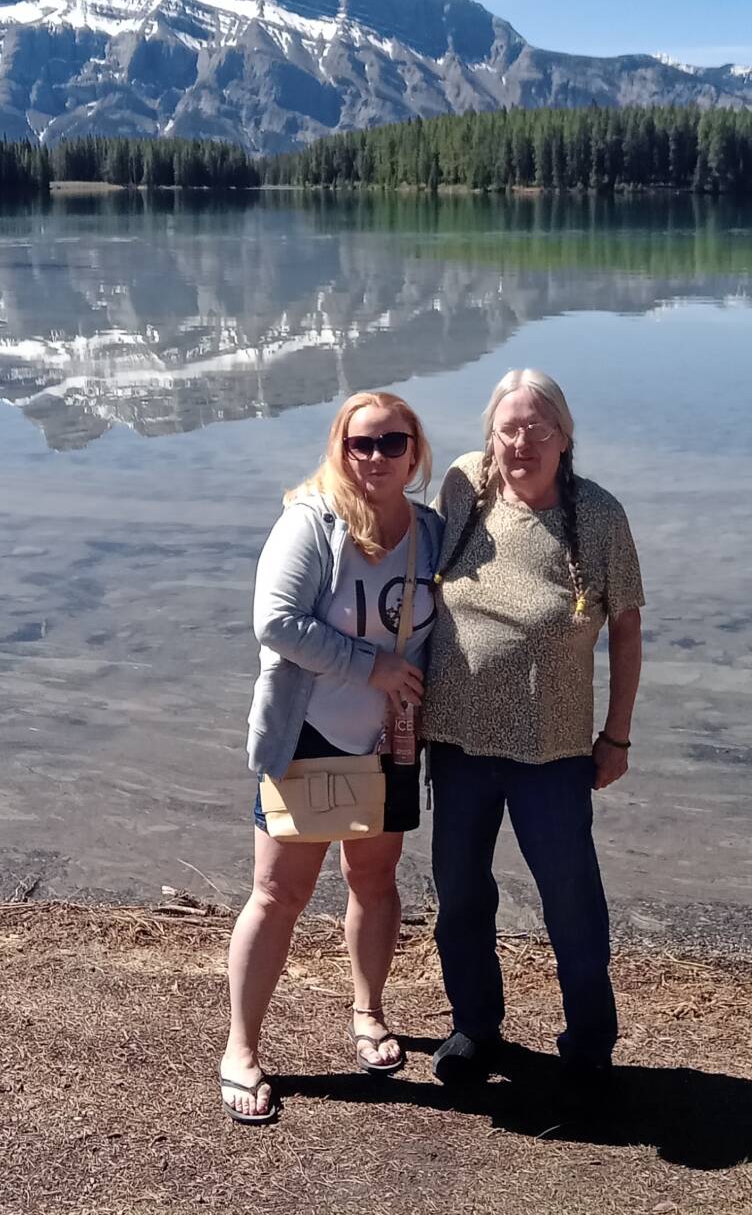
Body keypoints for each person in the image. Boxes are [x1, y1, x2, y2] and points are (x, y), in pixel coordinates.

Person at [220, 391, 443, 1122]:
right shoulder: (311, 524)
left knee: (373, 881)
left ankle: (368, 1013)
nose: (376, 456)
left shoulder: (432, 532)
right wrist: (369, 667)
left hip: (392, 741)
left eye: (392, 442)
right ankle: (242, 1049)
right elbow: (275, 622)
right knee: (278, 895)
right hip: (310, 735)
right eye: (360, 443)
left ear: (415, 452)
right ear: (339, 449)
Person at [422, 368, 644, 1091]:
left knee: (571, 901)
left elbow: (627, 630)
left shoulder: (599, 515)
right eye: (509, 428)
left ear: (564, 436)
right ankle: (475, 1027)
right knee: (461, 895)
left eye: (537, 428)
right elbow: (409, 571)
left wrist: (616, 735)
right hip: (457, 741)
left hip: (552, 750)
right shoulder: (463, 486)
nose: (522, 443)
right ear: (490, 435)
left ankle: (589, 1043)